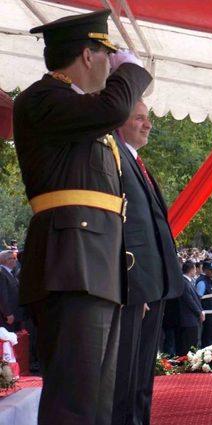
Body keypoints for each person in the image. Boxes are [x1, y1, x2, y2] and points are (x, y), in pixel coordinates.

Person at [13, 9, 152, 424]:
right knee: (74, 400)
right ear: (88, 56)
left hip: (94, 265)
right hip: (69, 263)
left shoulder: (78, 109)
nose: (112, 65)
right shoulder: (41, 99)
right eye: (107, 55)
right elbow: (112, 109)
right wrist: (133, 73)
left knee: (97, 401)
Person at [112, 100, 183, 425]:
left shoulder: (135, 160)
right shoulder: (114, 157)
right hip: (134, 289)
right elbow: (121, 230)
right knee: (126, 379)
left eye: (148, 117)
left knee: (142, 376)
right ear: (119, 121)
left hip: (154, 286)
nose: (148, 124)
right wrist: (132, 289)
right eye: (139, 118)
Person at [177, 261, 204, 355]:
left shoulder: (188, 281)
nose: (196, 271)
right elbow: (190, 301)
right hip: (188, 319)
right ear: (191, 269)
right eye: (195, 269)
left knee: (193, 343)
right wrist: (199, 312)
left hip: (192, 319)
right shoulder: (184, 283)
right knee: (189, 345)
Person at [0, 250, 21, 332]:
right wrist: (8, 314)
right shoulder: (1, 273)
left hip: (15, 313)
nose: (15, 260)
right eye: (13, 258)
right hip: (8, 317)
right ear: (6, 260)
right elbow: (2, 296)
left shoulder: (9, 272)